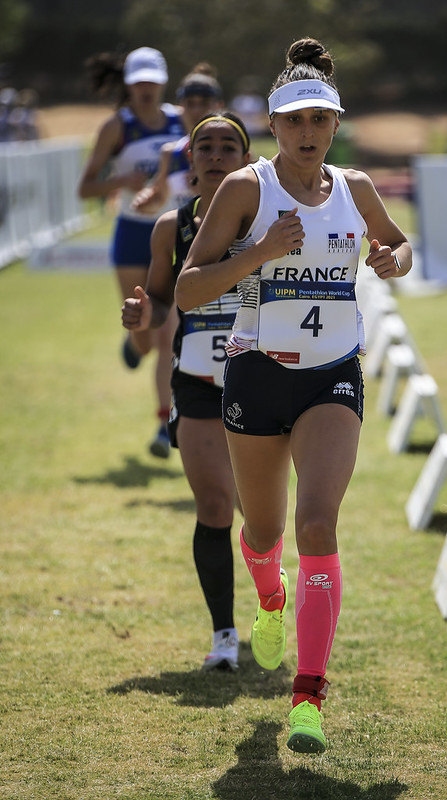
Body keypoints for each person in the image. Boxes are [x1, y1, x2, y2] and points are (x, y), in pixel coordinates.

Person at [175, 38, 412, 753]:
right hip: (255, 374)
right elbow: (189, 289)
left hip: (333, 374)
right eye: (294, 122)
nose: (308, 133)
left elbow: (400, 246)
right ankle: (269, 596)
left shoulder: (356, 188)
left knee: (317, 527)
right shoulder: (245, 190)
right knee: (263, 534)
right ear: (274, 127)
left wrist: (390, 259)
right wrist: (258, 254)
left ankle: (308, 696)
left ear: (335, 124)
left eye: (320, 120)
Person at [122, 111, 252, 670]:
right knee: (216, 506)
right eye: (206, 146)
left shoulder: (273, 220)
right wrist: (139, 314)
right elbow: (155, 300)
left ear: (247, 161)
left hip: (263, 381)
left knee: (263, 516)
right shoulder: (169, 227)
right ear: (191, 161)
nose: (217, 154)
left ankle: (271, 601)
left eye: (229, 146)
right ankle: (224, 636)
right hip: (198, 382)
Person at [78, 47, 185, 459]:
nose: (144, 88)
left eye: (151, 80)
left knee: (166, 334)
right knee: (143, 334)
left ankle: (164, 424)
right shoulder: (116, 127)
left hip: (173, 234)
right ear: (128, 84)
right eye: (137, 81)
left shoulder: (181, 120)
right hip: (131, 236)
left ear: (161, 82)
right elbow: (86, 188)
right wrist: (120, 179)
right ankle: (132, 346)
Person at [132, 64, 224, 214]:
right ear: (180, 107)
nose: (197, 110)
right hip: (182, 237)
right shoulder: (170, 153)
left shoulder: (234, 151)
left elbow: (249, 203)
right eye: (190, 104)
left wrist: (208, 191)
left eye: (204, 103)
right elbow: (157, 203)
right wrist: (145, 199)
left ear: (219, 105)